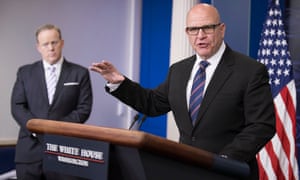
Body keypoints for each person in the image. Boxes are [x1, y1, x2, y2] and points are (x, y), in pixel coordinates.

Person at [90, 3, 275, 180]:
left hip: (228, 173)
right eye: (193, 29)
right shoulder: (179, 70)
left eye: (207, 28)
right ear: (187, 33)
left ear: (221, 29)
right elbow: (153, 104)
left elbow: (261, 125)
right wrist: (119, 83)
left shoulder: (250, 70)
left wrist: (224, 160)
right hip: (186, 171)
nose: (200, 35)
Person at [11, 24, 93, 180]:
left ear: (61, 43)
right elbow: (17, 106)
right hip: (29, 152)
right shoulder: (25, 72)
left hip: (65, 153)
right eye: (45, 44)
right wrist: (36, 128)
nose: (51, 48)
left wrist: (55, 129)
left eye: (54, 42)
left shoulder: (80, 73)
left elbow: (84, 109)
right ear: (38, 47)